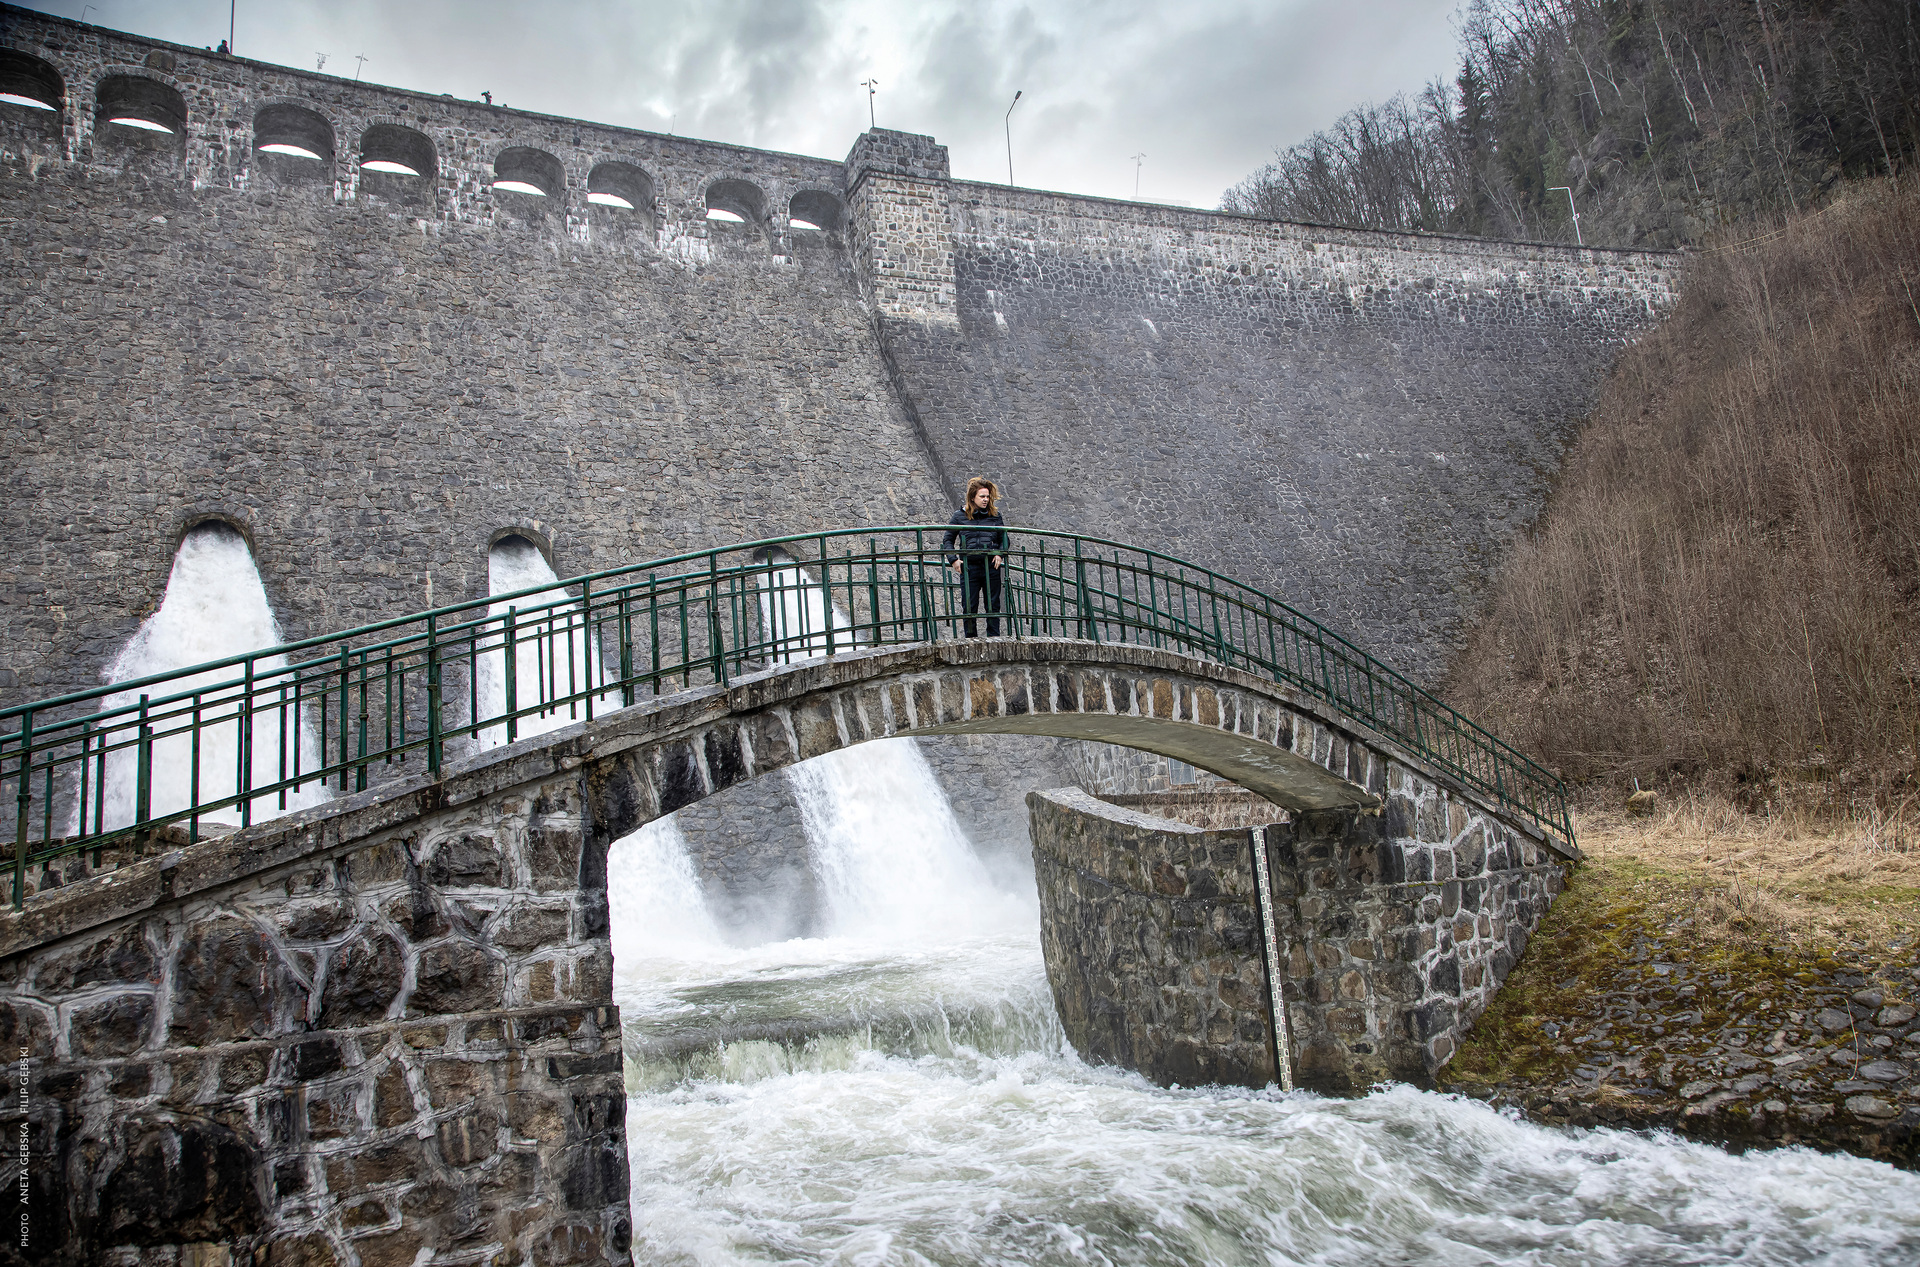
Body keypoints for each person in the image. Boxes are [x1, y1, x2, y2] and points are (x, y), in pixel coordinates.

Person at [941, 477, 1008, 637]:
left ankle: (994, 639)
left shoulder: (995, 516)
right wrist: (954, 560)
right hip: (969, 566)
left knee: (993, 605)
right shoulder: (959, 516)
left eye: (987, 496)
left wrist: (1000, 553)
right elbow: (947, 539)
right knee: (969, 606)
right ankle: (971, 640)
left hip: (991, 565)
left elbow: (1004, 539)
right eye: (982, 496)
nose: (986, 500)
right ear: (973, 497)